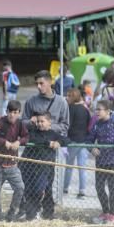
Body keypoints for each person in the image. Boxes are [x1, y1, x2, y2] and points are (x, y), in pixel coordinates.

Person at [21, 70, 70, 219]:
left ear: (50, 82)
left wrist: (47, 127)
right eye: (37, 83)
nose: (39, 86)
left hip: (48, 152)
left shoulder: (61, 102)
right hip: (32, 150)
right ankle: (30, 213)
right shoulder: (31, 101)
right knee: (28, 183)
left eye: (41, 83)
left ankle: (48, 215)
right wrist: (32, 122)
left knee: (47, 185)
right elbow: (22, 123)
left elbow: (65, 126)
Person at [20, 111, 69, 220]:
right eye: (38, 121)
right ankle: (31, 213)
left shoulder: (53, 134)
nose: (40, 124)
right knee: (30, 190)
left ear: (49, 122)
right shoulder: (33, 132)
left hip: (47, 168)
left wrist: (59, 142)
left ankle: (47, 213)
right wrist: (49, 143)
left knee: (45, 190)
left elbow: (66, 139)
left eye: (42, 121)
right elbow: (33, 139)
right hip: (30, 167)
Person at [0, 100, 28, 222]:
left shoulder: (20, 124)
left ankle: (11, 214)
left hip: (12, 164)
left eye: (15, 112)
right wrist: (4, 142)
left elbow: (26, 136)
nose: (12, 115)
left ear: (19, 113)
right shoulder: (0, 122)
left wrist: (19, 142)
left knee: (20, 187)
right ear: (6, 112)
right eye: (10, 112)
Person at [88, 99, 114, 224]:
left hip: (113, 162)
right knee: (99, 187)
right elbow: (88, 140)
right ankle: (105, 212)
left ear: (108, 111)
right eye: (96, 109)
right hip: (100, 162)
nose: (96, 112)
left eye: (99, 109)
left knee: (113, 189)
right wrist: (92, 148)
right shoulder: (96, 124)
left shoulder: (113, 122)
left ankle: (113, 215)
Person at [63, 88, 92, 199]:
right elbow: (89, 124)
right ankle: (82, 190)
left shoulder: (70, 108)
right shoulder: (85, 109)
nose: (67, 97)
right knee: (82, 167)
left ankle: (65, 188)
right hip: (84, 141)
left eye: (69, 96)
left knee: (69, 166)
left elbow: (67, 125)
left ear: (74, 97)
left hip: (73, 141)